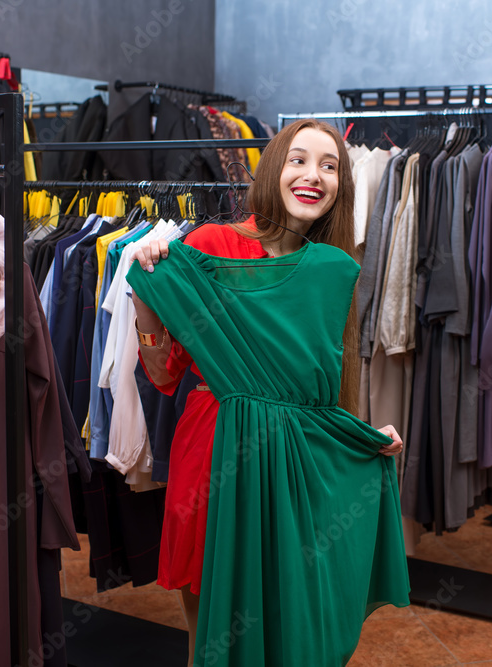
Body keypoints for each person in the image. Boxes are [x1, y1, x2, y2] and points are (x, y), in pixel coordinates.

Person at [131, 119, 406, 664]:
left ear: (342, 187)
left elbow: (324, 387)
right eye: (299, 160)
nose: (314, 176)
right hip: (215, 458)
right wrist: (144, 286)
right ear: (273, 169)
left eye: (330, 166)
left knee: (290, 625)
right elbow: (164, 374)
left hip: (296, 464)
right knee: (212, 639)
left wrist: (359, 436)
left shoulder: (334, 270)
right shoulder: (212, 245)